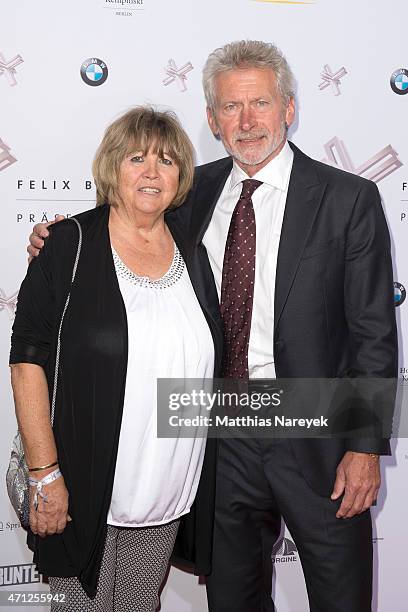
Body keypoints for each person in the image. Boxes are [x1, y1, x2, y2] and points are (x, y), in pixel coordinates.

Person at [28, 41, 398, 612]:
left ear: (289, 108)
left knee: (341, 595)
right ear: (211, 118)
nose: (247, 121)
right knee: (231, 597)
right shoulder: (188, 191)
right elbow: (121, 230)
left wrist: (365, 449)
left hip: (318, 430)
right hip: (217, 432)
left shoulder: (347, 199)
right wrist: (52, 245)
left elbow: (374, 332)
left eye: (260, 103)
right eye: (230, 107)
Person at [11, 106, 222, 612]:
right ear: (111, 167)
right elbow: (27, 362)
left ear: (181, 177)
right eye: (137, 158)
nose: (152, 172)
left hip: (165, 496)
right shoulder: (68, 244)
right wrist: (44, 474)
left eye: (167, 161)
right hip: (80, 490)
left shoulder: (194, 250)